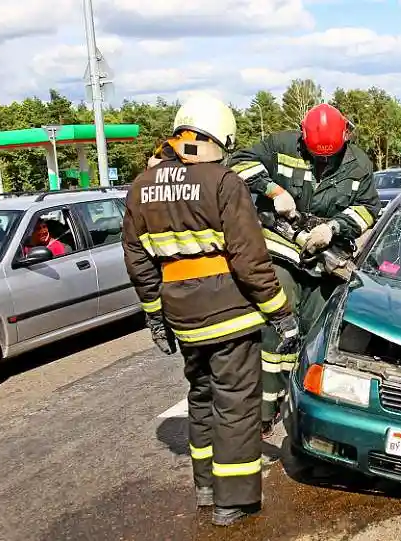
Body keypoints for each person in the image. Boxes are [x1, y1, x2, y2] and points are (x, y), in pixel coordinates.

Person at [121, 93, 300, 527]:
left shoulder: (142, 186)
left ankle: (205, 488)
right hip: (230, 315)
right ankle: (232, 501)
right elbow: (249, 259)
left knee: (200, 398)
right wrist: (280, 312)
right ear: (217, 137)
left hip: (182, 317)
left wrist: (154, 314)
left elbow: (136, 258)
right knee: (236, 405)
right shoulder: (223, 182)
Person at [224, 103, 381, 437]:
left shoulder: (359, 163)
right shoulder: (281, 145)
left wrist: (334, 228)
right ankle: (264, 411)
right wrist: (273, 190)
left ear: (346, 135)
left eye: (330, 155)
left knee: (314, 335)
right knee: (277, 328)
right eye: (316, 155)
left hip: (324, 263)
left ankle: (301, 407)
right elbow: (237, 162)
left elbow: (368, 209)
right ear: (303, 136)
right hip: (281, 253)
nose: (323, 162)